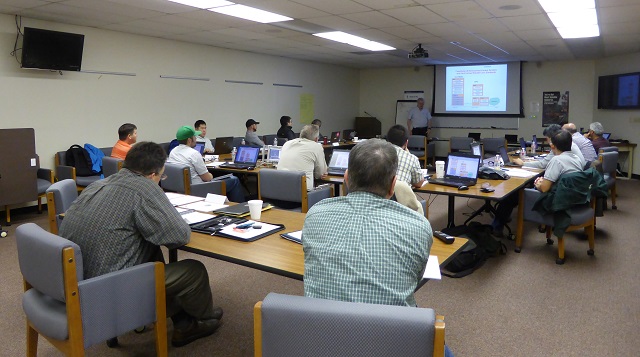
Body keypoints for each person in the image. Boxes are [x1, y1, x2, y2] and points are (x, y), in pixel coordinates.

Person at [59, 142, 223, 348]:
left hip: (77, 279)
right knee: (194, 270)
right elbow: (179, 236)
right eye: (162, 177)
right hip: (108, 287)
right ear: (154, 174)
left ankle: (182, 321)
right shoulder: (145, 187)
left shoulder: (100, 184)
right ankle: (200, 320)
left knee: (150, 249)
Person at [302, 139, 432, 307]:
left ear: (346, 178)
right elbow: (415, 277)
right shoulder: (419, 226)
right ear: (393, 185)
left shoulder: (315, 214)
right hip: (391, 331)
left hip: (317, 328)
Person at [167, 126, 245, 202]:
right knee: (234, 180)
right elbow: (207, 178)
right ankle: (240, 209)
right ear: (189, 140)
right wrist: (211, 175)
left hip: (180, 189)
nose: (196, 139)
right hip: (199, 189)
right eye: (194, 136)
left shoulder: (173, 152)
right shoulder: (193, 153)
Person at [277, 124, 327, 191]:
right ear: (316, 139)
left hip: (280, 188)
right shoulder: (316, 146)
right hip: (302, 192)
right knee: (328, 189)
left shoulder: (287, 143)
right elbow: (320, 174)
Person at [512, 124, 586, 169]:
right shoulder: (568, 142)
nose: (547, 141)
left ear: (552, 137)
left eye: (547, 138)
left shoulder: (559, 145)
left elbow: (542, 165)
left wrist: (523, 163)